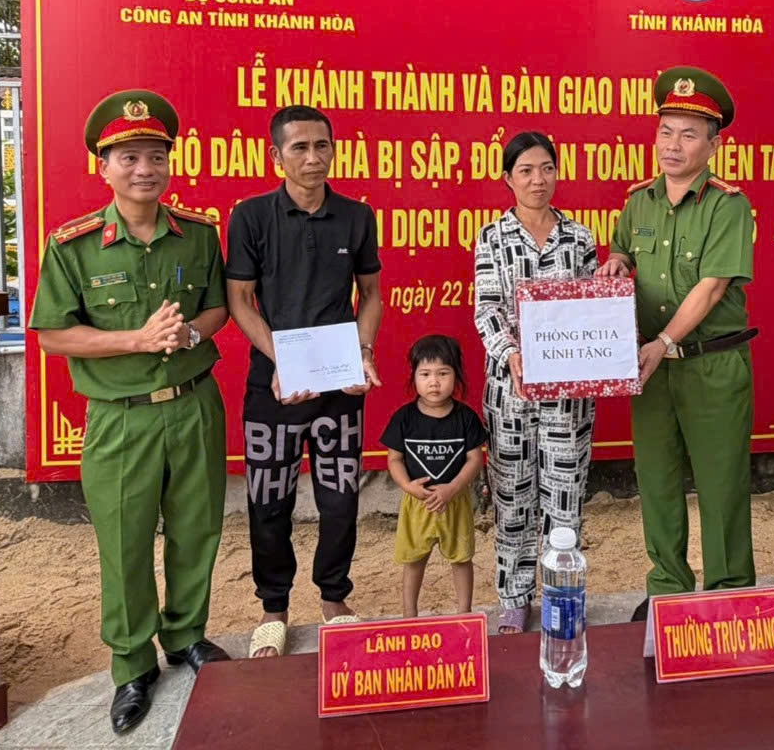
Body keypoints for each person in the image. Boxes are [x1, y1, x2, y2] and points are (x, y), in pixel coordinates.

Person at [29, 90, 230, 734]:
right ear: (103, 165)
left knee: (197, 528)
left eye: (156, 155)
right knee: (125, 541)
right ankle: (131, 665)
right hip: (121, 417)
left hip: (195, 406)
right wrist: (135, 340)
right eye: (128, 156)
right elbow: (54, 334)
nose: (145, 168)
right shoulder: (75, 246)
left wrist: (192, 335)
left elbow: (218, 308)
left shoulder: (198, 235)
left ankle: (186, 636)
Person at [597, 67, 757, 621]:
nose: (673, 144)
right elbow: (622, 253)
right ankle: (667, 584)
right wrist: (617, 262)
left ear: (715, 144)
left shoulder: (727, 206)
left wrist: (663, 341)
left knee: (721, 484)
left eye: (689, 134)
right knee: (658, 480)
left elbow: (712, 287)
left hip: (710, 364)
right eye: (666, 131)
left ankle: (730, 589)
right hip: (651, 367)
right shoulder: (638, 202)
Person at [225, 105, 384, 658]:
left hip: (340, 385)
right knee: (270, 500)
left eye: (322, 146)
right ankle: (273, 609)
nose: (313, 158)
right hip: (273, 385)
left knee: (340, 498)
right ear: (276, 156)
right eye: (300, 148)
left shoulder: (356, 216)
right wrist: (281, 360)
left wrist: (363, 353)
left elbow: (372, 293)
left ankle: (335, 599)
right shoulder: (249, 217)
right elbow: (239, 301)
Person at [474, 131, 600, 634]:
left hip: (568, 396)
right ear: (508, 179)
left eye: (546, 168)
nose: (537, 179)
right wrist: (512, 355)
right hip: (510, 389)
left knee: (564, 494)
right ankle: (515, 596)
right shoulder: (492, 237)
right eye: (525, 170)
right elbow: (485, 310)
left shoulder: (581, 238)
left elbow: (596, 311)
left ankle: (562, 596)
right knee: (512, 495)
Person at [381, 335, 489, 618]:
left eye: (443, 374)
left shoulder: (466, 418)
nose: (434, 382)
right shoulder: (403, 418)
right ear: (414, 377)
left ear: (457, 376)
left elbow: (474, 458)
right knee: (414, 560)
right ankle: (409, 615)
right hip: (419, 502)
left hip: (456, 501)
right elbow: (393, 459)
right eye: (425, 374)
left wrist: (452, 488)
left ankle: (464, 613)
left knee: (462, 558)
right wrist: (408, 486)